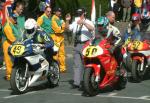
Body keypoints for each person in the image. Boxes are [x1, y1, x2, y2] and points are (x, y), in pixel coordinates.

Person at [65, 8, 94, 89]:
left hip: (86, 44)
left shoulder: (88, 21)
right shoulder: (75, 22)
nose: (79, 15)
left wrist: (84, 23)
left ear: (84, 14)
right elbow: (67, 28)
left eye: (80, 14)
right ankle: (76, 82)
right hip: (77, 44)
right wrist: (67, 20)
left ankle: (87, 81)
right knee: (77, 64)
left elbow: (92, 28)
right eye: (78, 14)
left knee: (87, 64)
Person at [2, 13, 21, 80]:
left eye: (16, 18)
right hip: (7, 44)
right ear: (10, 18)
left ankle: (14, 74)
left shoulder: (14, 24)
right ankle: (9, 75)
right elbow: (11, 37)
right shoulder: (7, 25)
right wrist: (17, 42)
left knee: (14, 60)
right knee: (9, 60)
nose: (15, 19)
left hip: (14, 43)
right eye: (14, 18)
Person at [51, 7, 66, 73]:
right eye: (58, 11)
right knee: (55, 54)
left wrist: (62, 27)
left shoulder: (60, 19)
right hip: (55, 38)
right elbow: (57, 30)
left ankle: (62, 68)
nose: (59, 12)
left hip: (61, 38)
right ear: (55, 12)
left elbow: (64, 27)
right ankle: (54, 67)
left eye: (60, 11)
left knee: (62, 54)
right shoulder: (53, 19)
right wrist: (62, 27)